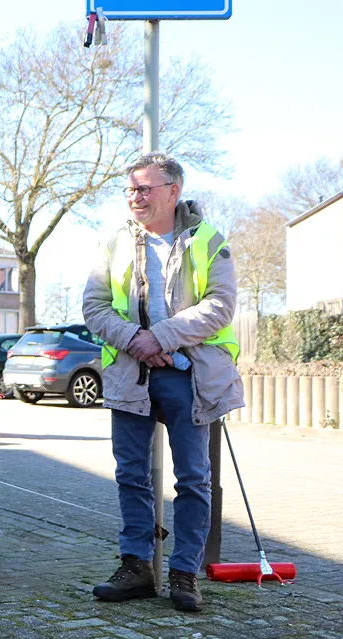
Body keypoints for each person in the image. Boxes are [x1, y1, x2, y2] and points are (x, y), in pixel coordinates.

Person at [82, 152, 243, 612]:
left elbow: (220, 306)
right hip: (131, 375)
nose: (135, 196)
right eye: (131, 188)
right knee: (130, 474)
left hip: (189, 377)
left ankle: (184, 573)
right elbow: (93, 307)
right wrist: (138, 340)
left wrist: (162, 336)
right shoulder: (112, 243)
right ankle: (136, 567)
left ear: (173, 191)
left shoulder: (209, 240)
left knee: (193, 478)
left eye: (145, 188)